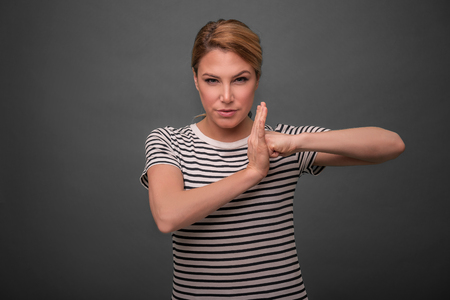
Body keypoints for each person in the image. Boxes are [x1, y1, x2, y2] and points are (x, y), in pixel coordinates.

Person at [140, 19, 404, 300]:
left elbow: (391, 144)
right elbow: (167, 216)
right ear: (195, 79)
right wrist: (252, 172)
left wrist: (298, 141)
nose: (226, 96)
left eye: (240, 79)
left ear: (257, 79)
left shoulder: (285, 143)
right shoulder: (169, 141)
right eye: (212, 80)